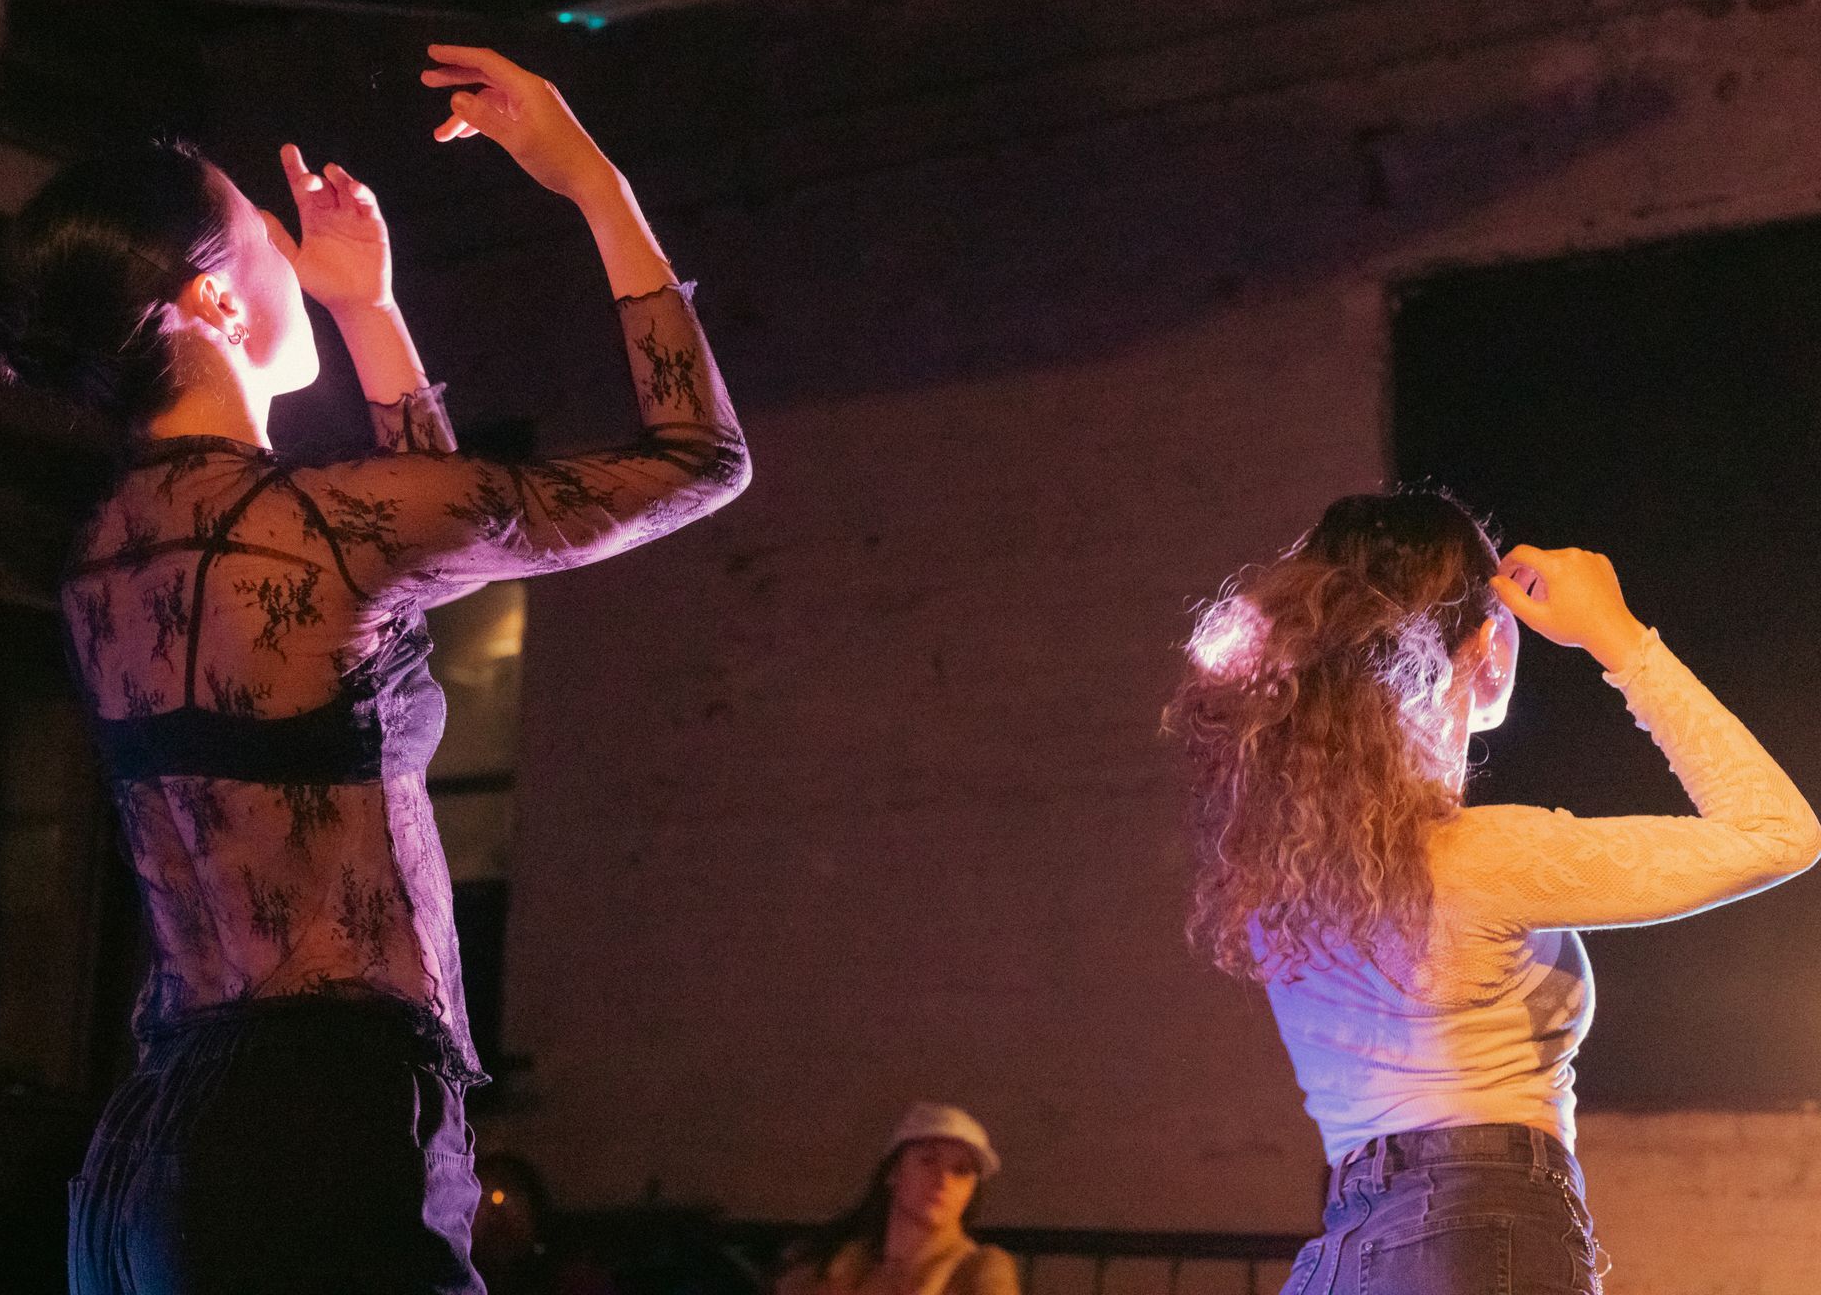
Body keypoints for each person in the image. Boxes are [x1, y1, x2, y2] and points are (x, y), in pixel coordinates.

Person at [0, 44, 750, 1294]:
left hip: (147, 1152)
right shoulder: (320, 525)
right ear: (216, 305)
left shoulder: (101, 558)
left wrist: (368, 314)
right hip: (322, 1135)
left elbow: (418, 571)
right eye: (267, 242)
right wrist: (591, 181)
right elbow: (701, 457)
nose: (294, 252)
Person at [1167, 489, 1821, 1294]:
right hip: (1483, 1235)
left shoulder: (1283, 875)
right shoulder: (1477, 859)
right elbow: (1778, 833)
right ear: (1494, 645)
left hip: (1343, 1251)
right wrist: (1616, 636)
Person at [775, 1104, 1018, 1295]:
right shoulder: (836, 1263)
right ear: (894, 1171)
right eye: (928, 1161)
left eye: (961, 1170)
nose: (944, 1180)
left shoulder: (979, 1269)